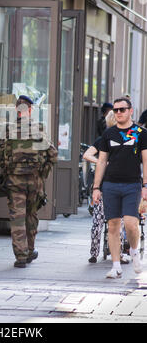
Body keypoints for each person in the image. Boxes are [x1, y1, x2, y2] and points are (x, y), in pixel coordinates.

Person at [0, 95, 58, 268]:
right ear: (30, 110)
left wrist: (8, 171)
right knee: (31, 215)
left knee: (17, 218)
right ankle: (30, 250)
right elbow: (52, 155)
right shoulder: (38, 129)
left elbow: (0, 157)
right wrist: (42, 173)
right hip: (34, 181)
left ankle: (21, 256)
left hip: (14, 181)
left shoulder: (8, 130)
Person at [92, 97, 147, 279]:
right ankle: (116, 266)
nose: (118, 113)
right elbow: (101, 161)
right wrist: (96, 187)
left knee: (131, 224)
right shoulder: (108, 134)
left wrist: (145, 185)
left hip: (132, 184)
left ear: (131, 111)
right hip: (110, 185)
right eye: (115, 110)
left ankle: (134, 251)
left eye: (122, 110)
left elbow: (146, 161)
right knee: (113, 225)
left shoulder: (141, 133)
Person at [83, 111, 128, 264]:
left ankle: (94, 253)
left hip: (104, 186)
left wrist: (99, 162)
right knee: (118, 222)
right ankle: (119, 254)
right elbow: (87, 155)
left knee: (98, 221)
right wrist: (102, 163)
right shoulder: (122, 139)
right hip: (111, 186)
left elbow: (87, 155)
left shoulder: (102, 139)